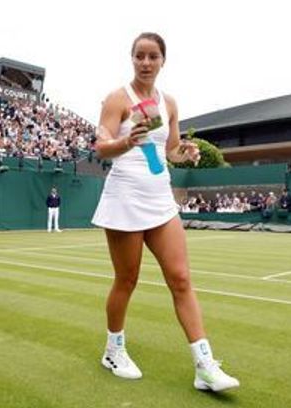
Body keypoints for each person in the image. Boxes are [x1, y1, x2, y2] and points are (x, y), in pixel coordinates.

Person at [91, 32, 239, 392]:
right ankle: (113, 350)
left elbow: (169, 149)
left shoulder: (169, 103)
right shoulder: (117, 99)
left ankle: (204, 365)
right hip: (125, 198)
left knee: (181, 278)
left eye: (152, 56)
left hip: (160, 199)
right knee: (127, 280)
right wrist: (126, 141)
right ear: (132, 59)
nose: (145, 62)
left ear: (162, 61)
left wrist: (183, 153)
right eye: (139, 55)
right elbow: (101, 145)